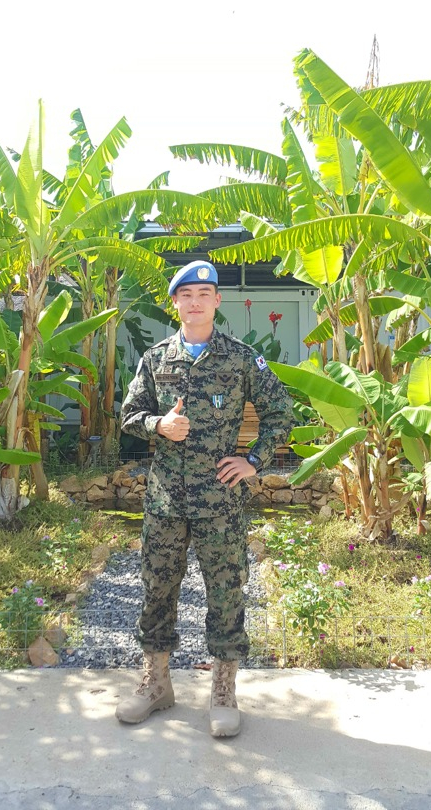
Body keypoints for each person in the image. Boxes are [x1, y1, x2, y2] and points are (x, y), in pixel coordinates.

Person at [116, 260, 294, 737]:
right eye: (185, 294)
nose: (194, 302)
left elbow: (280, 412)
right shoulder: (155, 359)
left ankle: (223, 690)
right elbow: (129, 415)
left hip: (220, 499)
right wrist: (159, 425)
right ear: (175, 303)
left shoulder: (241, 358)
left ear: (217, 301)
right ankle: (156, 684)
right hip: (166, 499)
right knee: (156, 589)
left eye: (203, 294)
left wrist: (253, 462)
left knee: (226, 589)